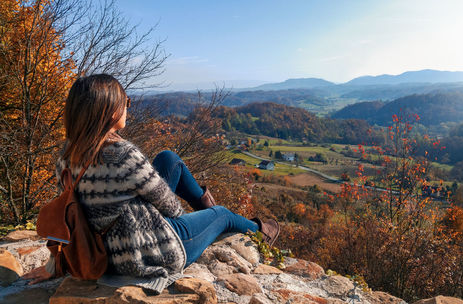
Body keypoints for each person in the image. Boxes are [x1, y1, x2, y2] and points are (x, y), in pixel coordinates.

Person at [22, 74, 279, 293]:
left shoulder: (66, 156)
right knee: (221, 214)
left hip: (100, 249)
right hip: (143, 253)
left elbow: (70, 216)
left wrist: (54, 266)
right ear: (111, 112)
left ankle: (204, 204)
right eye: (126, 103)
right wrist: (192, 223)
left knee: (168, 159)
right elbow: (170, 208)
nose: (128, 108)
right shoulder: (121, 154)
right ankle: (261, 232)